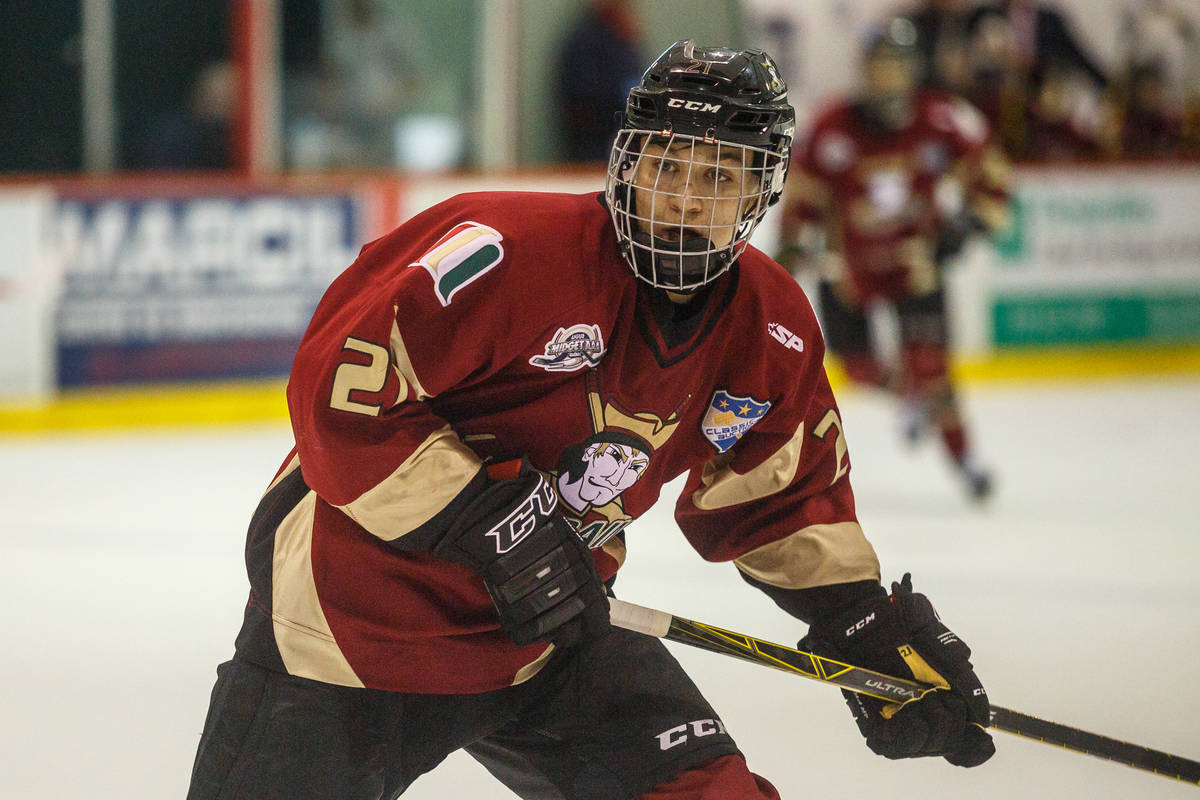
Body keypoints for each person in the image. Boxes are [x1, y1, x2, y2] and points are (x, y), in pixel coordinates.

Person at [187, 41, 995, 800]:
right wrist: (483, 519)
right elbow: (343, 397)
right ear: (627, 163)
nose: (684, 198)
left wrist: (859, 621)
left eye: (721, 178)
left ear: (763, 192)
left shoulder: (770, 323)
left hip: (553, 631)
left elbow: (778, 495)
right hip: (352, 629)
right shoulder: (505, 250)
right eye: (667, 165)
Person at [777, 17, 1011, 501]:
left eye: (895, 68)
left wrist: (969, 225)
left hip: (915, 266)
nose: (886, 79)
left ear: (913, 71)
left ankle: (966, 461)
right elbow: (803, 199)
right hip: (847, 271)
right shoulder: (831, 125)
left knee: (933, 371)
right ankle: (910, 399)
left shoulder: (943, 118)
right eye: (878, 68)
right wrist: (791, 253)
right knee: (856, 366)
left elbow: (991, 172)